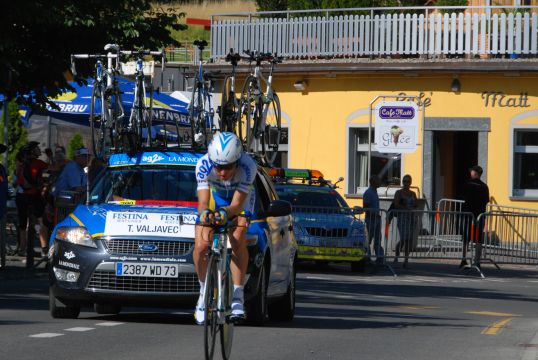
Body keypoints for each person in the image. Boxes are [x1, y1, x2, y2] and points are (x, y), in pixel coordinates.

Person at [194, 132, 256, 324]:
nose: (222, 172)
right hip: (217, 197)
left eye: (227, 167)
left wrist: (225, 214)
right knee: (202, 244)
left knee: (237, 237)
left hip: (239, 201)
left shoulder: (248, 167)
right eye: (218, 167)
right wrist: (205, 214)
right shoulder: (203, 165)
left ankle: (237, 296)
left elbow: (237, 205)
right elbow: (203, 202)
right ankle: (203, 292)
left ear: (237, 161)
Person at [19, 141, 49, 257]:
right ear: (32, 151)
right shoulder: (37, 163)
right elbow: (54, 168)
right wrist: (50, 157)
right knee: (42, 222)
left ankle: (23, 249)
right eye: (36, 148)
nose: (39, 149)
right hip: (34, 196)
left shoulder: (23, 165)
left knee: (25, 224)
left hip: (22, 196)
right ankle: (45, 249)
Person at [460, 165, 490, 270]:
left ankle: (463, 259)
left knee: (465, 237)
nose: (470, 173)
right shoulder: (484, 186)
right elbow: (486, 200)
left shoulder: (468, 184)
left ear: (475, 173)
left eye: (471, 171)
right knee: (478, 238)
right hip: (479, 215)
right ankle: (477, 261)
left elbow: (463, 196)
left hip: (468, 214)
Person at [393, 174, 418, 268]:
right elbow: (396, 204)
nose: (406, 183)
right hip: (402, 217)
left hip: (411, 218)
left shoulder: (413, 193)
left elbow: (416, 204)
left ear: (410, 182)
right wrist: (406, 208)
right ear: (402, 182)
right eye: (404, 181)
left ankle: (406, 260)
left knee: (409, 240)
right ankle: (396, 256)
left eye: (408, 181)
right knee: (403, 239)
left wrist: (414, 206)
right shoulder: (399, 193)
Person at [363, 175, 384, 264]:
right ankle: (367, 257)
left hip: (376, 219)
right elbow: (366, 207)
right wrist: (373, 215)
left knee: (378, 239)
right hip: (371, 219)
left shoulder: (374, 192)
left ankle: (379, 257)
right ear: (373, 182)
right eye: (378, 181)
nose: (380, 182)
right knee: (369, 239)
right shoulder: (368, 193)